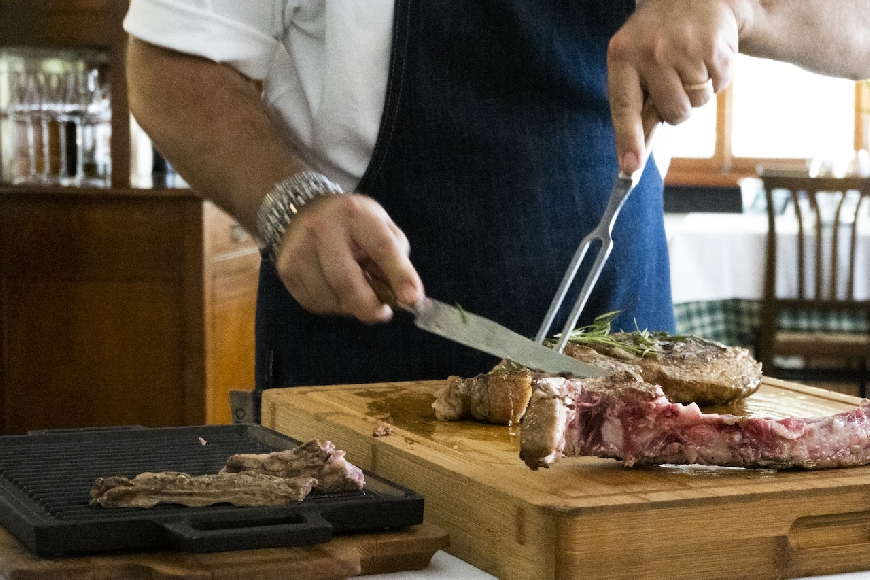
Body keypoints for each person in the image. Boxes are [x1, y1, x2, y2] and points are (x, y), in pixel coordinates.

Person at [123, 1, 870, 416]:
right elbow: (169, 62)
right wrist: (288, 201)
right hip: (363, 358)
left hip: (628, 363)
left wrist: (739, 5)